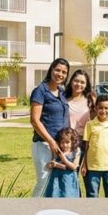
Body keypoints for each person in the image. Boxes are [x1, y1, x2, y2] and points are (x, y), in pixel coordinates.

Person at [31, 58, 74, 197]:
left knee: (57, 182)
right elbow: (34, 120)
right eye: (57, 70)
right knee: (43, 181)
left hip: (61, 146)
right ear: (51, 70)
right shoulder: (40, 90)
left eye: (64, 72)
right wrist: (51, 141)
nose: (60, 74)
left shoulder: (61, 92)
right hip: (44, 144)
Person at [65, 69, 96, 195]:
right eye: (76, 81)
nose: (79, 84)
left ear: (86, 84)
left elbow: (96, 120)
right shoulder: (64, 99)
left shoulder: (90, 99)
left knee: (88, 179)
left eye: (82, 82)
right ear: (71, 81)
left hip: (85, 142)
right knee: (71, 178)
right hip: (68, 144)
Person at [81, 95, 108, 198]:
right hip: (93, 167)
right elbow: (86, 146)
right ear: (96, 108)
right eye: (100, 108)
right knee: (92, 194)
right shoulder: (89, 125)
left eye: (106, 108)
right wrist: (84, 164)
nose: (103, 111)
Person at [44, 127, 83, 198]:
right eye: (62, 142)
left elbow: (74, 167)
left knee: (68, 195)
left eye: (67, 142)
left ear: (73, 141)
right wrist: (53, 164)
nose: (64, 145)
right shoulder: (57, 151)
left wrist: (63, 159)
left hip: (69, 180)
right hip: (56, 179)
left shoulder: (76, 151)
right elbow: (49, 165)